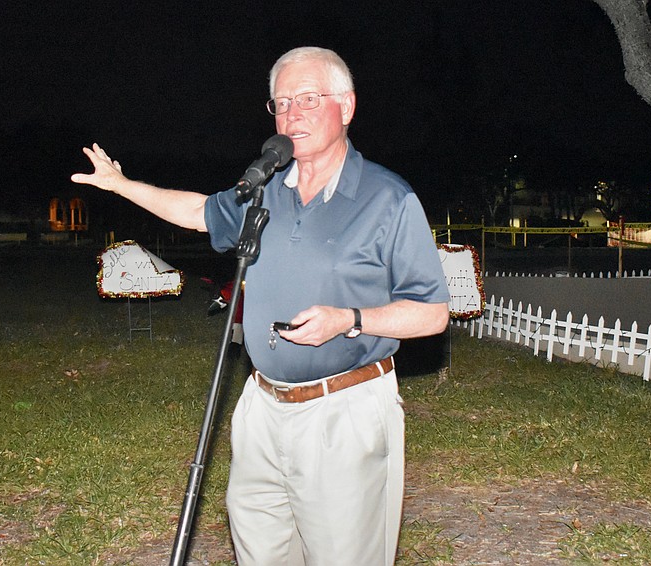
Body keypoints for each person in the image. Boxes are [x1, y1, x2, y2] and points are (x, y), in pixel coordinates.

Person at [72, 46, 450, 565]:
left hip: (345, 410)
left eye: (310, 99)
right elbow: (198, 212)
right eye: (282, 103)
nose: (293, 114)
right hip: (260, 409)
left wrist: (350, 320)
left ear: (348, 105)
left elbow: (432, 313)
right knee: (259, 553)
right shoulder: (265, 187)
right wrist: (120, 184)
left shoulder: (389, 198)